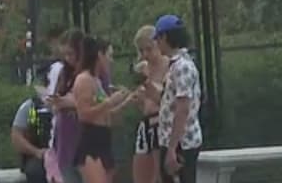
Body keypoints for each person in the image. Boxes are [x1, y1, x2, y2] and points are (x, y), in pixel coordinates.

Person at [72, 37, 135, 183]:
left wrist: (124, 102)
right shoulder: (84, 80)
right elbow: (84, 114)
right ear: (99, 55)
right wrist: (109, 102)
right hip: (91, 141)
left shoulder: (97, 81)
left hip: (103, 137)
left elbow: (104, 114)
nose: (111, 61)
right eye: (109, 55)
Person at [154, 15, 202, 183]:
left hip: (182, 143)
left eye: (157, 38)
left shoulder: (182, 67)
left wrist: (172, 149)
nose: (157, 44)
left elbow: (183, 108)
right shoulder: (176, 65)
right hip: (173, 140)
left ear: (165, 37)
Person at [48, 29, 86, 183]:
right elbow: (57, 98)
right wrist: (57, 102)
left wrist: (73, 103)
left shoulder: (90, 72)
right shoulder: (64, 73)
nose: (68, 58)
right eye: (65, 54)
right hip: (65, 136)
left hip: (84, 136)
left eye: (71, 53)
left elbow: (100, 99)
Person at [132, 26, 169, 183]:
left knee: (160, 174)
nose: (146, 55)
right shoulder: (142, 67)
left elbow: (166, 99)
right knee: (140, 173)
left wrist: (148, 83)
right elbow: (144, 105)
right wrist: (138, 100)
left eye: (149, 49)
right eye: (142, 51)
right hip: (146, 124)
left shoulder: (169, 65)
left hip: (161, 123)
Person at [10, 89, 54, 183]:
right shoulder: (30, 106)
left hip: (64, 155)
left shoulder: (70, 103)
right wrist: (36, 152)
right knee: (36, 172)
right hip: (37, 155)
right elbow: (16, 136)